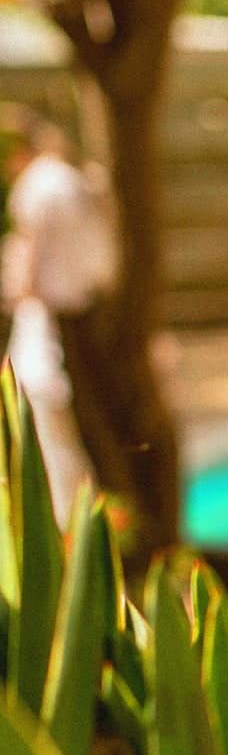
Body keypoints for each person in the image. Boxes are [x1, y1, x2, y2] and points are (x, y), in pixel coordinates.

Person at [0, 111, 119, 522]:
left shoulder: (37, 185)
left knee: (47, 423)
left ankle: (66, 518)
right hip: (82, 314)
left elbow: (29, 272)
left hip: (50, 321)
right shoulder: (70, 178)